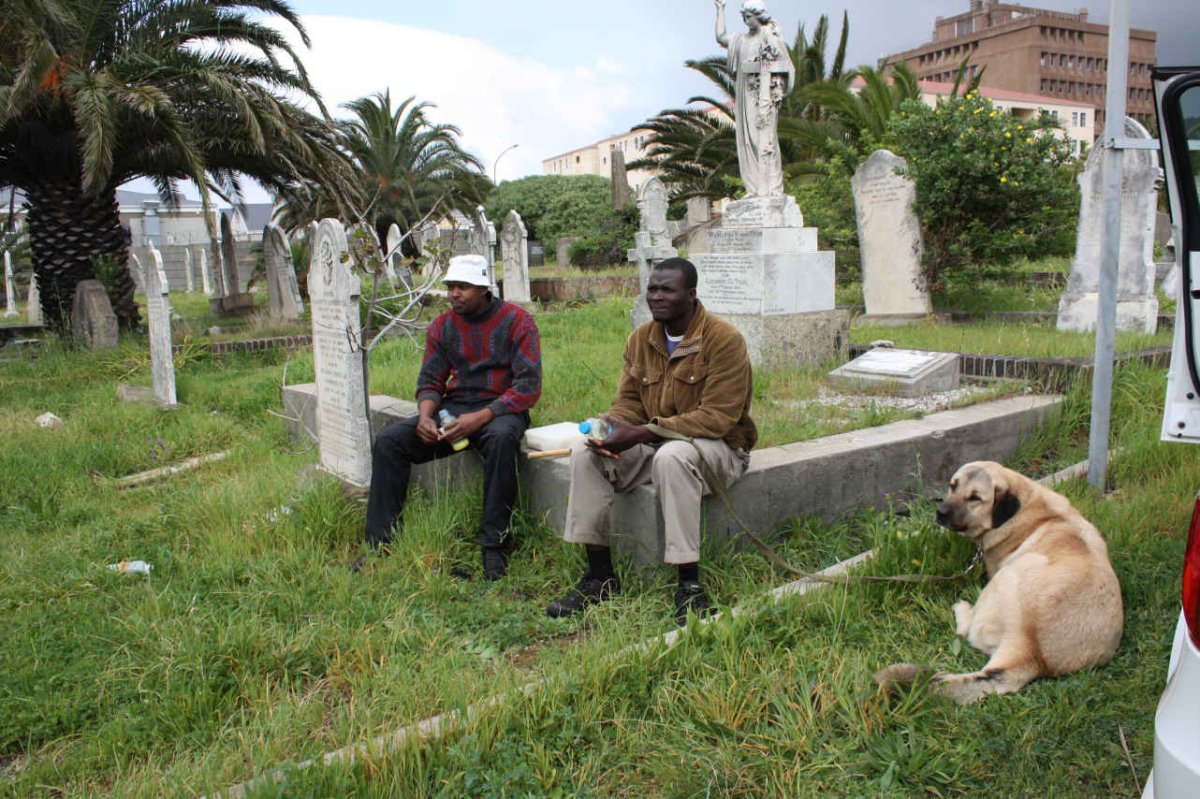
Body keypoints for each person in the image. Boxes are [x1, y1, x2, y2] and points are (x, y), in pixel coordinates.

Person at [546, 257, 756, 625]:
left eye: (667, 290)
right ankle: (599, 576)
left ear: (690, 295)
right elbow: (629, 401)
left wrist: (644, 433)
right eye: (652, 289)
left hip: (720, 450)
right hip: (660, 447)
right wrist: (611, 427)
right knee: (584, 451)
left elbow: (718, 417)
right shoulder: (642, 339)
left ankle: (688, 584)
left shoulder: (724, 341)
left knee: (673, 455)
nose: (656, 297)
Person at [355, 254, 542, 580]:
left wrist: (482, 417)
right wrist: (426, 417)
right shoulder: (443, 326)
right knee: (390, 441)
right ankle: (379, 545)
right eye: (450, 287)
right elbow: (430, 381)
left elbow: (528, 387)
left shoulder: (518, 321)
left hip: (502, 409)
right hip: (454, 409)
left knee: (501, 440)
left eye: (463, 287)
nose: (454, 293)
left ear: (484, 288)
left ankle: (493, 546)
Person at [714, 0, 795, 198]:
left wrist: (778, 91)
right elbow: (721, 37)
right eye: (743, 17)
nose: (745, 20)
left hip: (764, 99)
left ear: (759, 16)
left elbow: (786, 67)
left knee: (765, 141)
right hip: (744, 97)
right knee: (747, 141)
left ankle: (772, 187)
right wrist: (720, 10)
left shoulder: (769, 37)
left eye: (748, 16)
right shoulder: (741, 40)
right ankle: (754, 188)